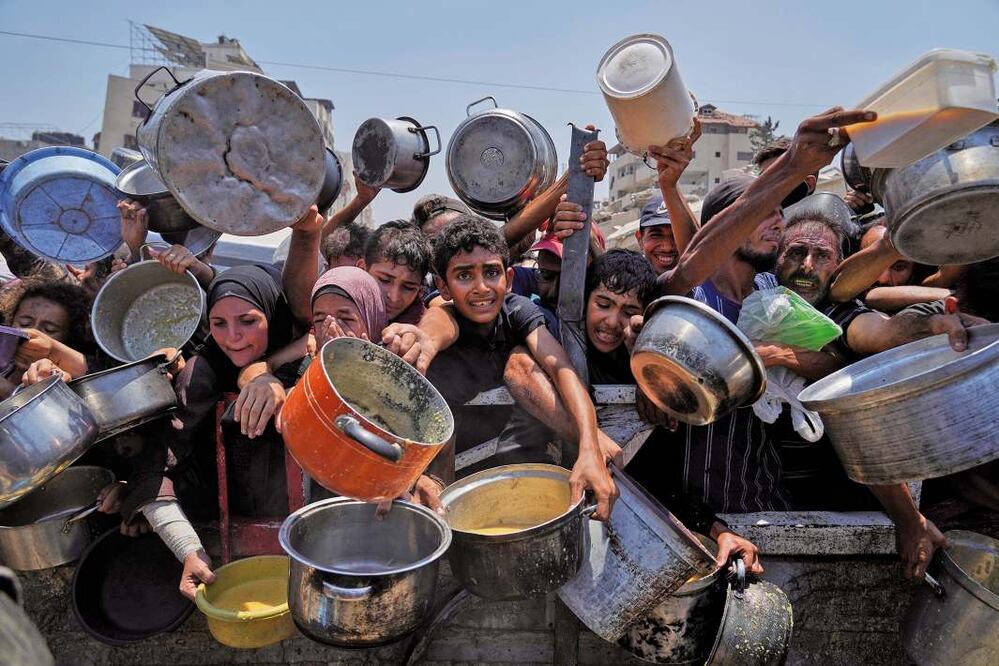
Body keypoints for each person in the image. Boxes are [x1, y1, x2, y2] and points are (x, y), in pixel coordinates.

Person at [386, 216, 618, 520]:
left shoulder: (516, 310)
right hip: (443, 458)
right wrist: (411, 475)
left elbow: (559, 365)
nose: (481, 287)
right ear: (442, 286)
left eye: (491, 273)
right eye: (464, 276)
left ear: (508, 278)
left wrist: (590, 444)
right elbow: (438, 324)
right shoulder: (443, 314)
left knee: (521, 361)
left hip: (508, 465)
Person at [106, 264, 307, 600]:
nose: (233, 337)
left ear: (273, 313)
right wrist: (188, 549)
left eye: (248, 320)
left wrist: (269, 376)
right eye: (218, 324)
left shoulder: (310, 351)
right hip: (223, 514)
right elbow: (157, 463)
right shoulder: (199, 373)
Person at [0, 280, 92, 395]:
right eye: (24, 323)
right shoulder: (4, 365)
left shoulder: (63, 381)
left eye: (49, 330)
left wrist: (7, 390)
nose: (32, 334)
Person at [363, 220, 432, 325]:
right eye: (384, 280)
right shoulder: (335, 308)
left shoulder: (424, 329)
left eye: (408, 287)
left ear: (420, 290)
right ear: (362, 268)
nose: (394, 298)